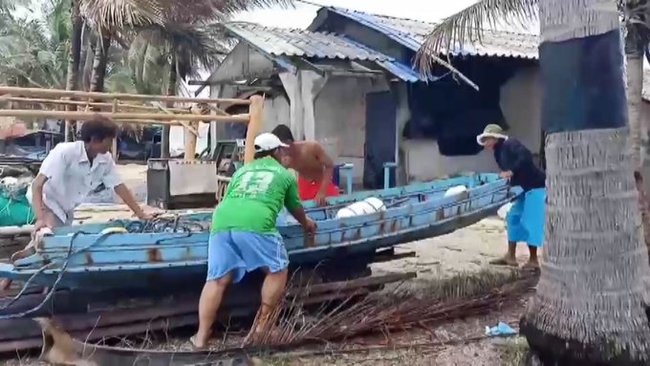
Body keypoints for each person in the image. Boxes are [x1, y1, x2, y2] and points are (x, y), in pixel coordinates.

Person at [191, 132, 316, 349]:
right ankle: (262, 328)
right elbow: (295, 207)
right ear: (277, 152)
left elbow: (230, 199)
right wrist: (307, 225)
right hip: (255, 223)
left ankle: (200, 337)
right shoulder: (283, 174)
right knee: (277, 268)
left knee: (217, 279)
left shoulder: (241, 171)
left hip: (221, 220)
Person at [0, 116, 153, 291]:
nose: (111, 144)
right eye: (110, 140)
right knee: (53, 241)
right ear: (95, 140)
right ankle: (42, 287)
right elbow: (37, 185)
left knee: (50, 242)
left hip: (67, 207)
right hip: (48, 200)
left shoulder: (105, 160)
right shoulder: (64, 152)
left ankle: (14, 275)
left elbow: (119, 187)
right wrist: (40, 217)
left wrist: (140, 213)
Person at [477, 124, 546, 270]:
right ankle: (511, 256)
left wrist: (511, 172)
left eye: (487, 139)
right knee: (513, 217)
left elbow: (526, 157)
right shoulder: (498, 152)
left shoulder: (510, 144)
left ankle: (533, 260)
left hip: (536, 186)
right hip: (523, 188)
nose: (485, 143)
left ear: (495, 138)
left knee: (531, 221)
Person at [271, 124, 339, 206]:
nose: (280, 152)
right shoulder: (281, 157)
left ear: (289, 143)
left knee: (331, 206)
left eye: (281, 148)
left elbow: (330, 165)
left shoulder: (311, 148)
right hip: (303, 185)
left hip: (320, 182)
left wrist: (322, 191)